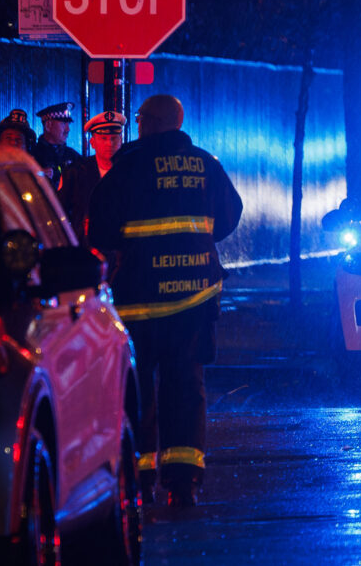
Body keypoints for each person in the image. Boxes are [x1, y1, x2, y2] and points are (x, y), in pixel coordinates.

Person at [88, 93, 244, 513]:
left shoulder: (128, 168)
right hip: (193, 302)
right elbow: (229, 217)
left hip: (139, 303)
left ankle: (138, 480)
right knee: (185, 389)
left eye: (139, 119)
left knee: (136, 395)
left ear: (148, 123)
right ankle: (183, 484)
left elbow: (98, 228)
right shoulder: (205, 164)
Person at [58, 110, 126, 226]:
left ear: (121, 141)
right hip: (86, 242)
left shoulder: (131, 171)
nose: (109, 144)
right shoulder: (75, 173)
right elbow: (59, 211)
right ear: (92, 143)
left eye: (114, 138)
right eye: (103, 139)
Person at [31, 102, 84, 176]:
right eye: (63, 123)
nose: (68, 129)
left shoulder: (74, 157)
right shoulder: (31, 157)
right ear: (48, 126)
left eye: (68, 124)